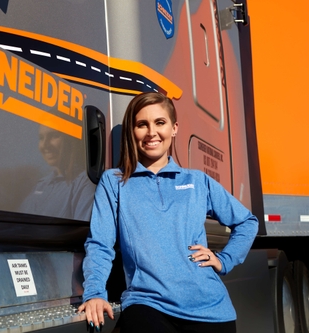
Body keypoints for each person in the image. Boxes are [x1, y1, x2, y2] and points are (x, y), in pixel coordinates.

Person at [77, 92, 258, 333]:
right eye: (142, 124)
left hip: (210, 309)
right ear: (133, 131)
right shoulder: (115, 182)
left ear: (174, 129)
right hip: (148, 306)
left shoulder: (196, 181)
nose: (151, 132)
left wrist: (223, 260)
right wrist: (95, 293)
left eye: (160, 123)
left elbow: (247, 222)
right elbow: (100, 244)